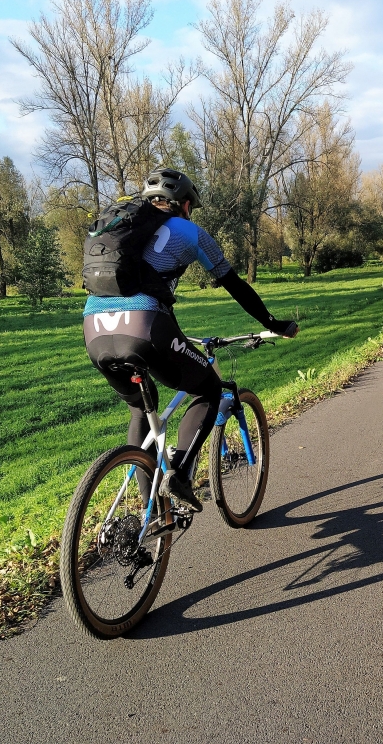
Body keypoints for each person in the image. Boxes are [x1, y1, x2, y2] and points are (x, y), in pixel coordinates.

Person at [82, 168, 297, 513]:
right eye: (190, 206)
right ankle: (178, 476)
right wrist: (274, 323)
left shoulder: (123, 229)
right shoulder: (189, 231)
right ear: (184, 204)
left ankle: (150, 509)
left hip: (94, 331)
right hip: (145, 326)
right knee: (209, 389)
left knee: (140, 407)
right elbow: (235, 285)